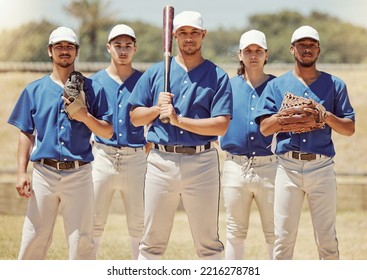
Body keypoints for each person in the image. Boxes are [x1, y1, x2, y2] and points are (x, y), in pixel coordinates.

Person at [128, 10, 232, 260]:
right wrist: (156, 109)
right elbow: (135, 117)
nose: (189, 38)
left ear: (203, 35)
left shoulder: (217, 75)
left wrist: (178, 120)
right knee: (151, 241)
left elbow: (220, 125)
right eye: (183, 33)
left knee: (208, 242)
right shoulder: (155, 72)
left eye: (194, 33)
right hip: (161, 161)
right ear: (174, 36)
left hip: (202, 161)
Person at [7, 26, 113, 260]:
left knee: (81, 240)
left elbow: (107, 130)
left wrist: (84, 115)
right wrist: (21, 173)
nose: (64, 51)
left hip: (80, 173)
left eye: (69, 47)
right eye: (59, 47)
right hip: (44, 173)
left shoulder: (93, 89)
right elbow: (26, 133)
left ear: (76, 52)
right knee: (34, 236)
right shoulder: (34, 90)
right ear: (50, 51)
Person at [255, 25, 355, 260]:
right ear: (293, 49)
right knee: (282, 240)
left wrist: (325, 115)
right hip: (287, 168)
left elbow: (349, 128)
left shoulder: (334, 84)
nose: (307, 49)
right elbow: (264, 128)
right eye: (302, 44)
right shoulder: (276, 86)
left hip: (321, 167)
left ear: (318, 49)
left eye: (312, 45)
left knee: (327, 240)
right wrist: (284, 118)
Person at [89, 24, 147, 259]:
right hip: (102, 155)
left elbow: (153, 119)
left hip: (136, 157)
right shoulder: (94, 81)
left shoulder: (144, 80)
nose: (123, 51)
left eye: (127, 46)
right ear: (108, 48)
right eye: (117, 46)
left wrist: (146, 148)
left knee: (139, 223)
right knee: (92, 221)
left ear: (135, 48)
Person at [219, 30, 276, 260]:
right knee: (235, 230)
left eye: (258, 51)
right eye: (248, 51)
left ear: (266, 55)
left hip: (270, 165)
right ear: (240, 55)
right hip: (235, 165)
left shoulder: (277, 86)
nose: (254, 55)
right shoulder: (227, 86)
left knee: (275, 232)